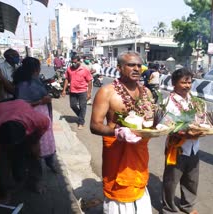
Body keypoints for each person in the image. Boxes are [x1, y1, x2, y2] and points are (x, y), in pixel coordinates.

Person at [90, 51, 153, 214]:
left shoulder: (146, 92)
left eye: (139, 65)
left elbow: (151, 121)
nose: (137, 68)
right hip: (117, 153)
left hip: (139, 152)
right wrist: (118, 132)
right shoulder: (107, 92)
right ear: (119, 67)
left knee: (139, 188)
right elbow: (95, 125)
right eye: (131, 65)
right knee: (118, 196)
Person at [161, 68, 203, 214]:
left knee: (192, 179)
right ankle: (169, 209)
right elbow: (166, 125)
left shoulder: (194, 100)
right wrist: (184, 133)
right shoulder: (168, 102)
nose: (187, 85)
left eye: (189, 82)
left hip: (194, 147)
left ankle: (188, 206)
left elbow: (201, 117)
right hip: (176, 147)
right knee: (171, 180)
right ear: (174, 83)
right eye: (183, 82)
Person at [0, 100, 50, 202]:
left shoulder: (38, 120)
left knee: (35, 154)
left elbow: (42, 128)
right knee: (2, 164)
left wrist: (35, 143)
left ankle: (35, 181)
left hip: (21, 107)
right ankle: (5, 191)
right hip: (0, 110)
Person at [13, 57, 57, 173]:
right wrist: (40, 102)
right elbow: (20, 104)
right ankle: (36, 177)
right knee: (35, 146)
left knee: (46, 142)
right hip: (32, 118)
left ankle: (49, 163)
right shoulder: (23, 84)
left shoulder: (36, 80)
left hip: (43, 116)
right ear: (35, 69)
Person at [62, 55, 92, 130]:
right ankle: (81, 117)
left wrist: (89, 93)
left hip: (82, 91)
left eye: (75, 62)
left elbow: (90, 81)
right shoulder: (69, 69)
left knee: (83, 107)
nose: (74, 63)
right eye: (73, 62)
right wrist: (64, 90)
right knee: (73, 105)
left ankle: (81, 122)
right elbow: (66, 79)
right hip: (73, 91)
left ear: (79, 61)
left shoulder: (85, 70)